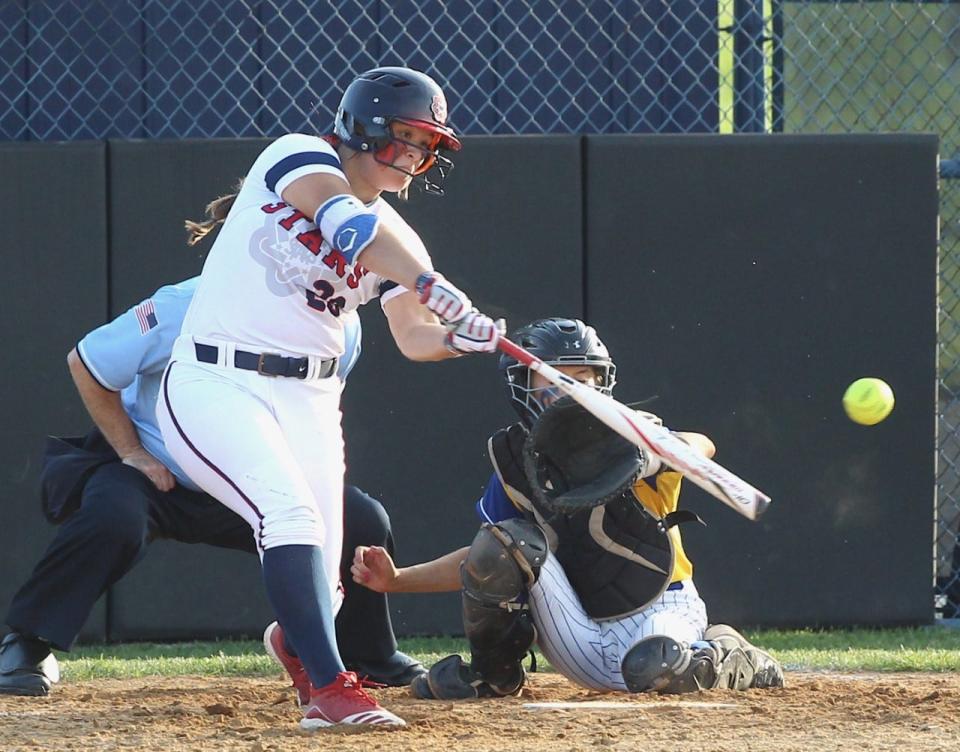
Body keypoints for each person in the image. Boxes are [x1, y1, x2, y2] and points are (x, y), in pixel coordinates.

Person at [155, 66, 502, 729]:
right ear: (363, 127)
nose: (414, 158)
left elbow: (413, 336)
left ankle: (298, 643)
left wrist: (463, 338)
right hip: (216, 379)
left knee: (329, 589)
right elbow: (348, 226)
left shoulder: (402, 238)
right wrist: (430, 282)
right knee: (289, 519)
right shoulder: (297, 156)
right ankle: (330, 690)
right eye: (403, 140)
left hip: (309, 398)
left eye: (425, 147)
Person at [0, 276, 424, 698]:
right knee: (114, 518)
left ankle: (368, 655)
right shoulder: (183, 304)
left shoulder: (339, 323)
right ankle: (27, 642)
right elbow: (87, 361)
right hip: (157, 471)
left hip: (248, 476)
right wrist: (131, 451)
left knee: (361, 520)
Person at [352, 318, 784, 698]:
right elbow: (485, 557)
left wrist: (654, 454)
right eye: (556, 378)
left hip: (662, 611)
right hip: (577, 629)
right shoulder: (514, 461)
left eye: (584, 376)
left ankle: (728, 652)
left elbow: (700, 444)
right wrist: (398, 580)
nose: (575, 389)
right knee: (508, 540)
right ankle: (493, 675)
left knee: (653, 668)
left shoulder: (628, 436)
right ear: (522, 385)